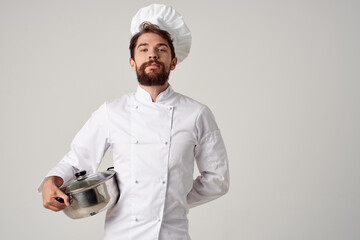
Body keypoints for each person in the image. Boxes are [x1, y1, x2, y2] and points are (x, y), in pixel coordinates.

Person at [39, 4, 229, 240]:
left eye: (161, 49)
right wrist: (52, 181)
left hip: (172, 234)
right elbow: (77, 160)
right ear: (132, 62)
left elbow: (217, 180)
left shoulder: (197, 113)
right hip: (121, 233)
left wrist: (171, 199)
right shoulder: (111, 112)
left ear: (173, 62)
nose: (152, 54)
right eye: (144, 49)